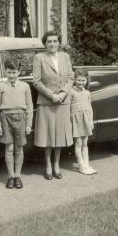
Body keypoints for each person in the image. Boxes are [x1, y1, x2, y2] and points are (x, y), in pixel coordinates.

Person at [33, 31, 74, 180]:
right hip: (47, 102)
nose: (52, 44)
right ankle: (48, 165)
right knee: (48, 135)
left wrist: (63, 94)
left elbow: (70, 77)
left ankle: (57, 164)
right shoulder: (39, 58)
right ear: (45, 43)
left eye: (55, 41)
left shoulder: (65, 57)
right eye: (49, 41)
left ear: (59, 43)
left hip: (63, 102)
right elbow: (36, 81)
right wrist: (52, 95)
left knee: (59, 135)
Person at [0, 58, 33, 189]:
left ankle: (18, 176)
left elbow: (29, 106)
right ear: (5, 72)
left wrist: (29, 124)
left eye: (14, 72)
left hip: (21, 118)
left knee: (19, 148)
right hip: (5, 118)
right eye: (9, 72)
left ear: (19, 72)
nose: (11, 75)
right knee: (9, 148)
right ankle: (10, 176)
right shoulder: (0, 87)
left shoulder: (25, 86)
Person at [70, 69, 97, 175]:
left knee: (85, 143)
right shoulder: (71, 92)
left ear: (87, 81)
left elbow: (90, 108)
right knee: (78, 143)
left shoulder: (87, 93)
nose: (81, 83)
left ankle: (86, 164)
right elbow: (68, 108)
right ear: (74, 80)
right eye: (78, 80)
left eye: (83, 80)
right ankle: (81, 165)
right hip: (76, 119)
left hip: (85, 119)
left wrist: (91, 121)